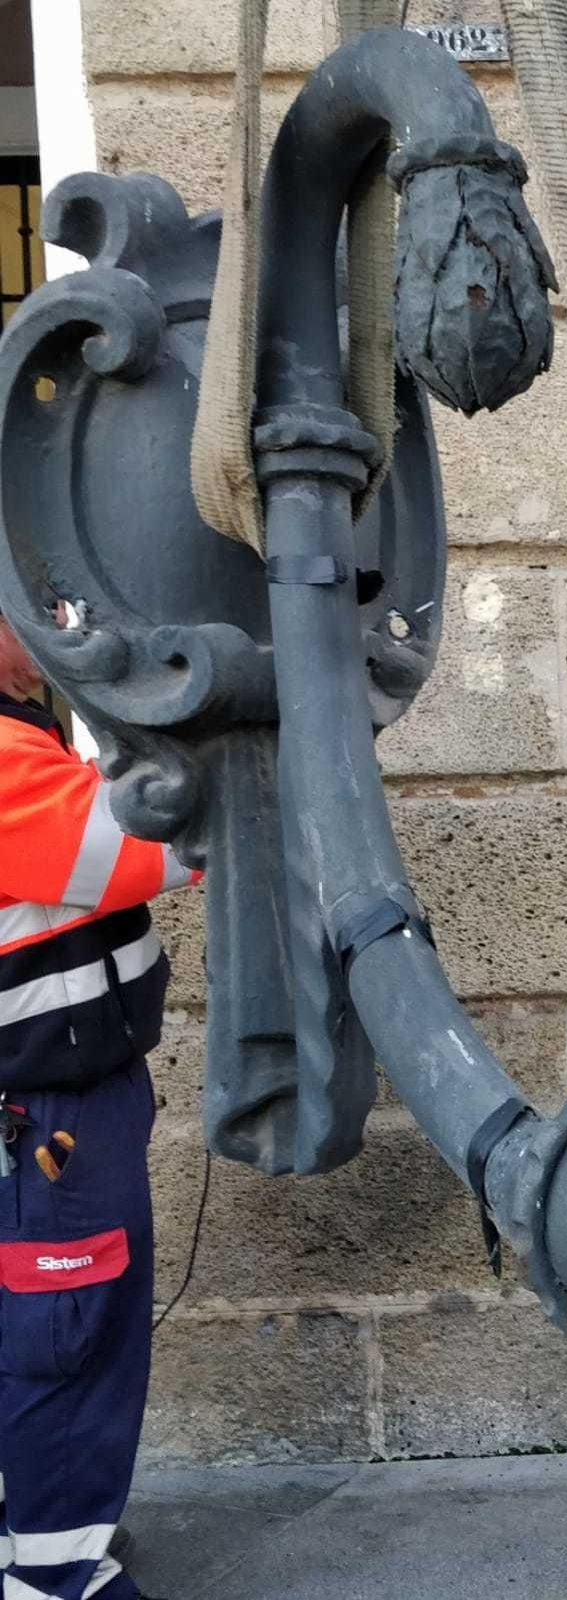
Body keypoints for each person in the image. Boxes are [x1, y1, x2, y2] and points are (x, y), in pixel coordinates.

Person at [0, 607, 198, 1600]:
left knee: (43, 1336)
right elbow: (141, 844)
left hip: (58, 1111)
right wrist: (238, 774)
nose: (57, 621)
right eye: (28, 601)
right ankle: (58, 1577)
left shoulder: (28, 729)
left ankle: (31, 1544)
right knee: (69, 1343)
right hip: (49, 1123)